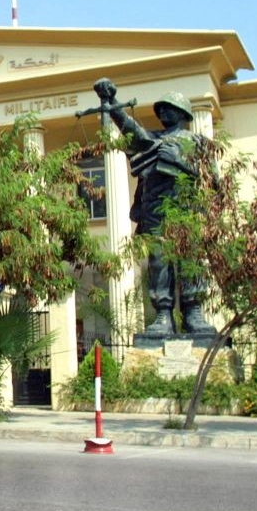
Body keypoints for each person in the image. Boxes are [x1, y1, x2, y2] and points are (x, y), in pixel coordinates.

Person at [93, 77, 216, 337]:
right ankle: (163, 315)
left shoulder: (197, 142)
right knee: (159, 263)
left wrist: (179, 162)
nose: (163, 112)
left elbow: (212, 182)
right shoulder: (152, 139)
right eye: (160, 109)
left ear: (182, 112)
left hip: (187, 213)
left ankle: (194, 314)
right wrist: (111, 101)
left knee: (190, 262)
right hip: (156, 213)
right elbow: (130, 129)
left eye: (169, 108)